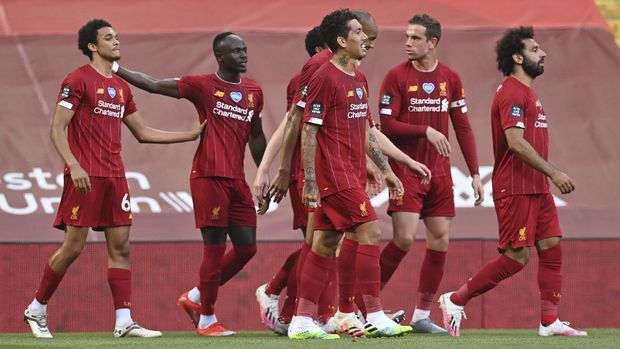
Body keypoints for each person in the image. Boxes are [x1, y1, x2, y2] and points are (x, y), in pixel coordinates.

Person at [23, 19, 205, 339]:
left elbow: (143, 133)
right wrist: (74, 166)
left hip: (115, 177)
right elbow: (56, 128)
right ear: (93, 46)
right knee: (73, 247)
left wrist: (189, 135)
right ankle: (37, 308)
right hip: (85, 176)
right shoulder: (77, 80)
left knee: (120, 248)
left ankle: (124, 321)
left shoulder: (122, 87)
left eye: (117, 37)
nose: (116, 41)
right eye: (109, 38)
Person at [114, 32, 267, 336]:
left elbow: (257, 135)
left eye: (244, 50)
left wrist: (263, 174)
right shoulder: (203, 85)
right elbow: (154, 85)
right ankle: (207, 319)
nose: (243, 55)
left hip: (237, 180)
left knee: (247, 247)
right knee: (214, 248)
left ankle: (195, 296)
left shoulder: (254, 91)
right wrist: (116, 69)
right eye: (235, 51)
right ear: (220, 56)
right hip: (208, 176)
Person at [438, 26, 587, 337]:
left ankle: (549, 321)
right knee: (517, 257)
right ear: (518, 57)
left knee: (551, 246)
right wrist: (554, 173)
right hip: (515, 187)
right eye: (535, 50)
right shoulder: (511, 93)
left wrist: (546, 178)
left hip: (536, 188)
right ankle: (454, 300)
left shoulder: (528, 93)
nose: (543, 53)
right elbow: (516, 143)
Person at [288, 9, 418, 340]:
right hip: (334, 175)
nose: (365, 38)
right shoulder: (323, 77)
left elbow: (367, 131)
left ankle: (302, 320)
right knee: (370, 231)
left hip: (353, 172)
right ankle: (373, 313)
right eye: (358, 33)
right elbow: (308, 130)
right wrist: (312, 182)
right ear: (342, 41)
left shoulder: (359, 79)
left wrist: (387, 170)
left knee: (326, 243)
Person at [373, 14, 483, 333]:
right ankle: (365, 307)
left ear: (432, 42)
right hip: (408, 168)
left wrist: (475, 173)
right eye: (406, 37)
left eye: (415, 38)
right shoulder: (395, 76)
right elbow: (387, 125)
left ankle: (422, 314)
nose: (408, 42)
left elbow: (462, 126)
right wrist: (426, 131)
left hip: (440, 173)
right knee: (404, 239)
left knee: (440, 241)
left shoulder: (451, 77)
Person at [253, 26, 327, 335]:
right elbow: (291, 124)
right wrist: (273, 170)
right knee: (318, 245)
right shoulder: (305, 80)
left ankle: (290, 306)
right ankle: (290, 309)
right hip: (305, 174)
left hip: (333, 174)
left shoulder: (348, 77)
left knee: (326, 245)